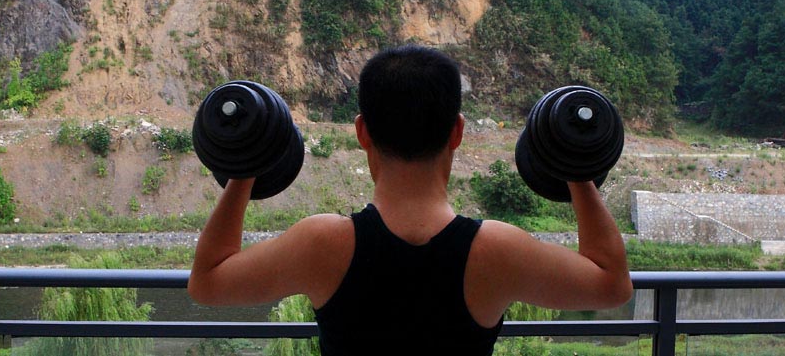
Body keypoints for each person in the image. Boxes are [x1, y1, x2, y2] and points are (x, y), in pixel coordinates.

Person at [188, 44, 632, 355]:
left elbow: (207, 282)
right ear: (457, 132)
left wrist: (244, 167)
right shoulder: (497, 251)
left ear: (362, 132)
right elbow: (612, 285)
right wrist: (576, 169)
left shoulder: (322, 243)